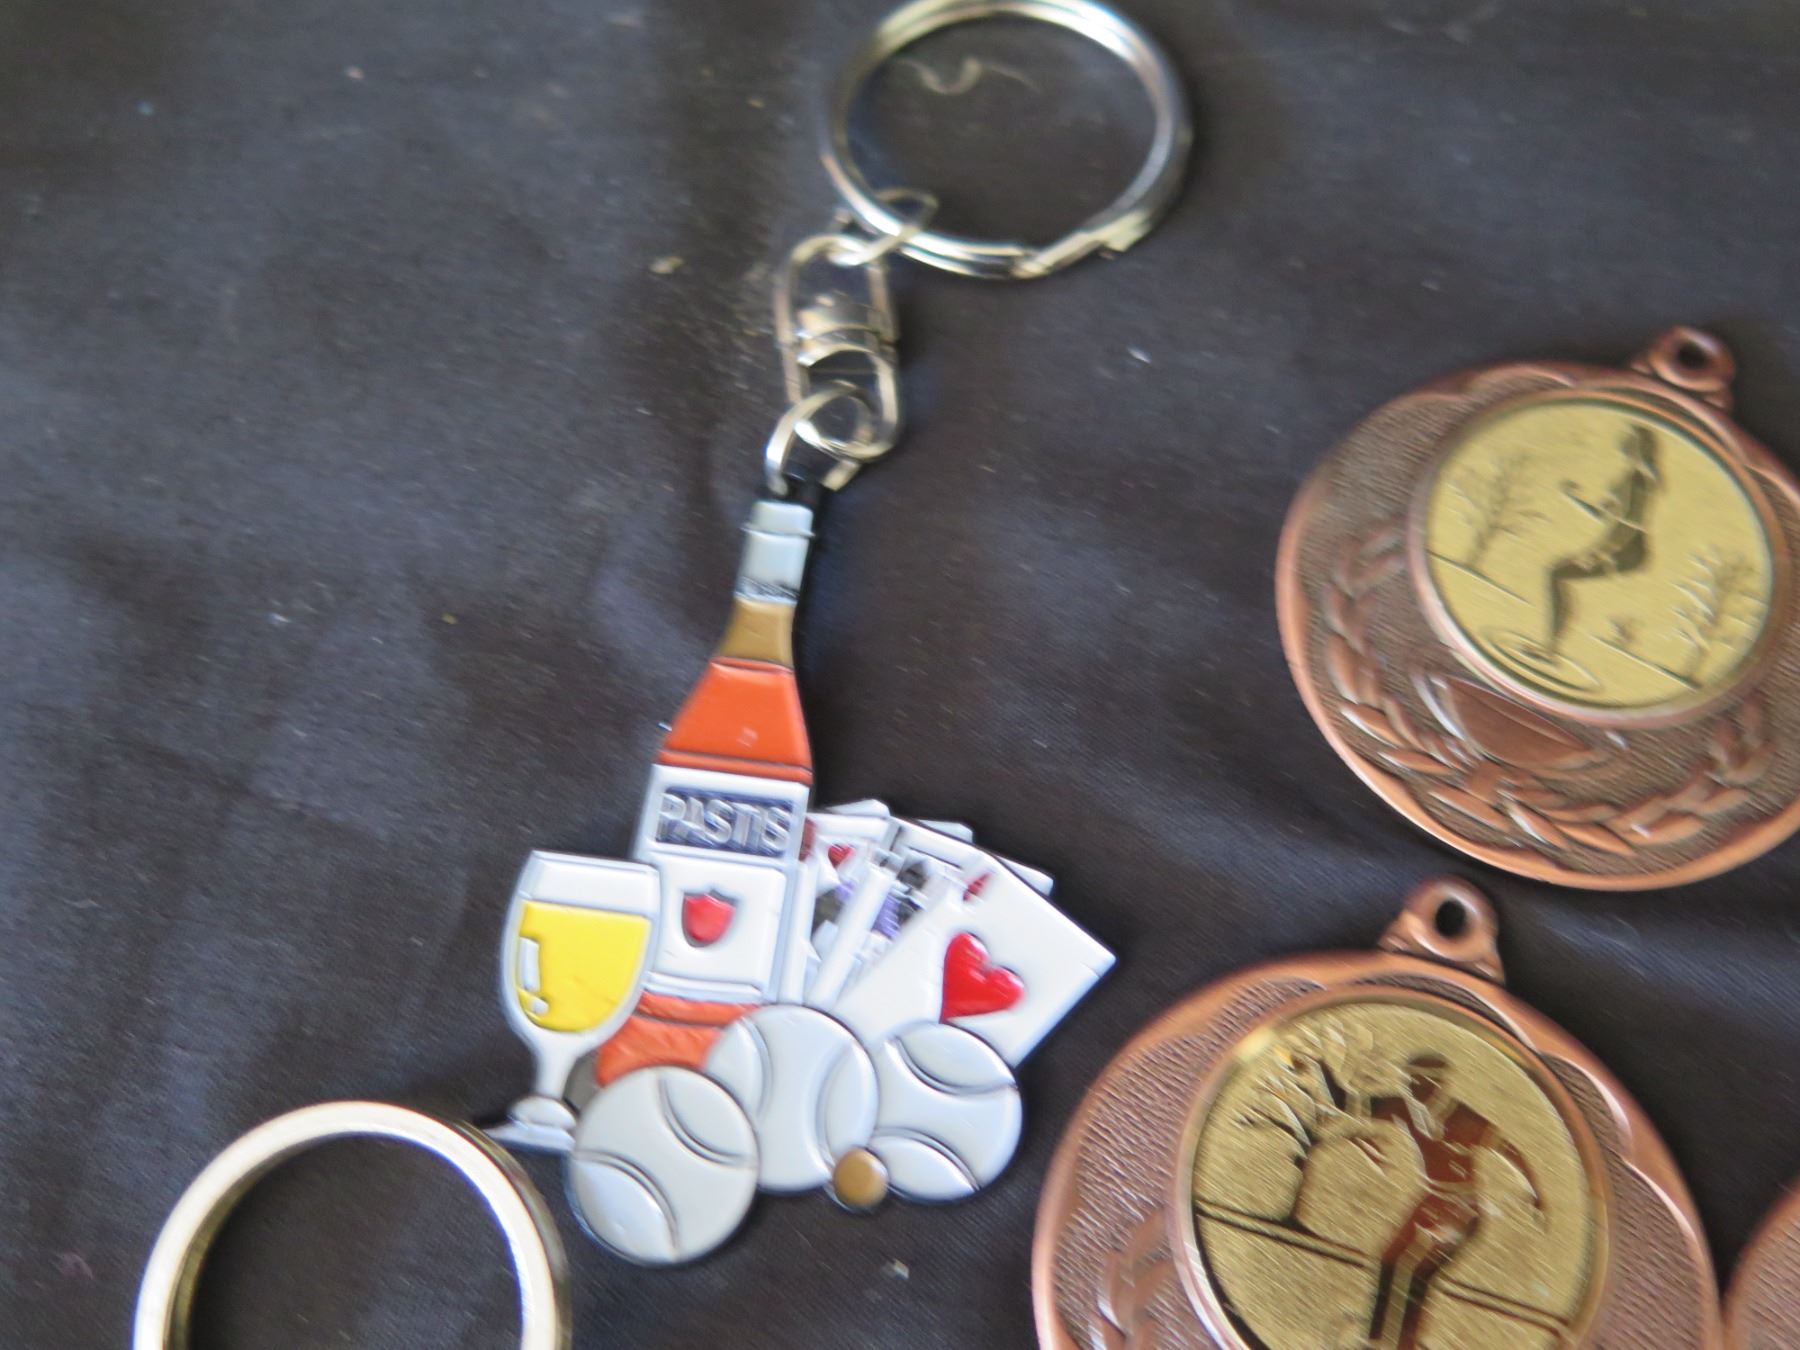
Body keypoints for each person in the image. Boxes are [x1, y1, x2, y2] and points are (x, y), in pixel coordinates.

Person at [1361, 1053, 1544, 1348]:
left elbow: (1510, 1151)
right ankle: (1375, 1339)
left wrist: (1535, 1193)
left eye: (1415, 1081)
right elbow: (1350, 1102)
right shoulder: (1403, 1107)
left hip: (1461, 1209)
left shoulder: (1464, 1119)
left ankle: (1405, 1343)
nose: (1408, 1086)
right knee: (1389, 1259)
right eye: (1407, 1080)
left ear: (1436, 1084)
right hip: (1430, 1199)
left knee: (1418, 1275)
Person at [1539, 424, 1660, 653]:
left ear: (1637, 446)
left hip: (1627, 550)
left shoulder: (1637, 480)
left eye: (1630, 439)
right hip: (1620, 545)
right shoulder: (1627, 478)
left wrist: (1599, 554)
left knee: (1557, 574)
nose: (1623, 442)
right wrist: (1573, 498)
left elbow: (1630, 524)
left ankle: (1551, 647)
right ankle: (1551, 645)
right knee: (1557, 574)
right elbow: (1601, 514)